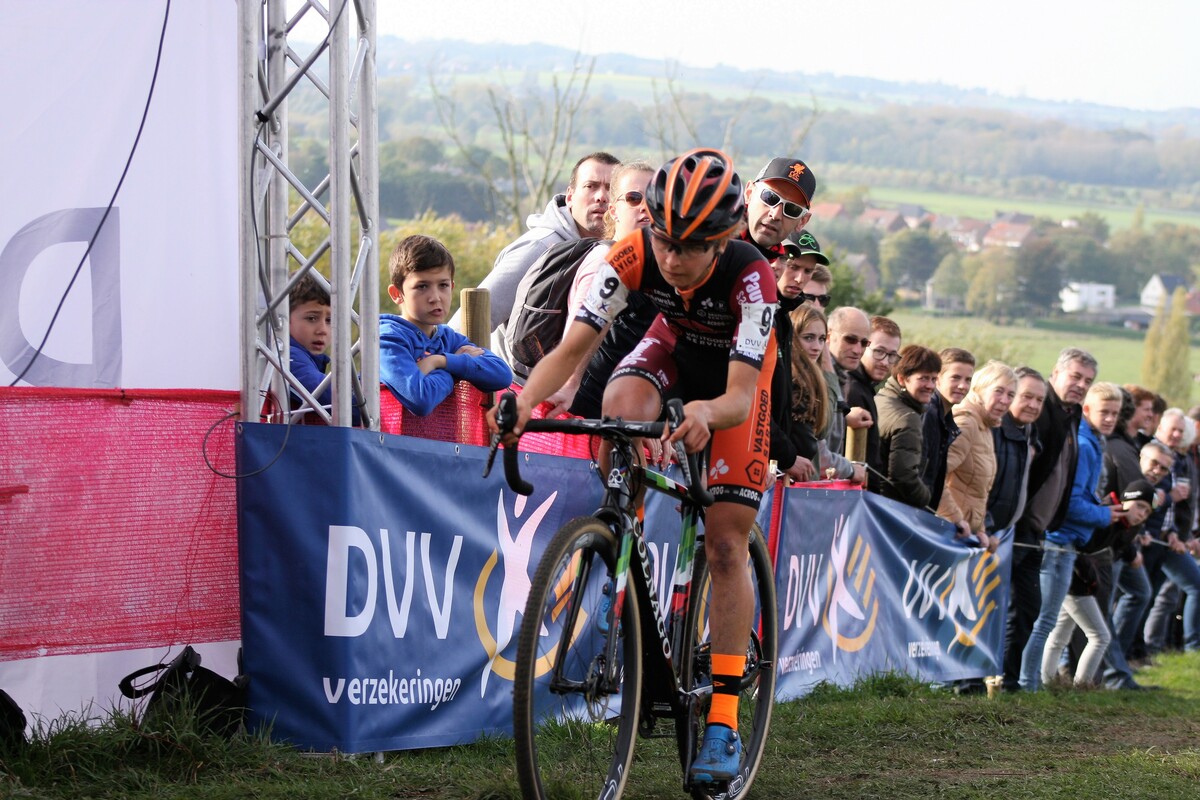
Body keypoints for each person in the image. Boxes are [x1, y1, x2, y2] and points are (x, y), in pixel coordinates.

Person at [490, 148, 776, 784]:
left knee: (727, 539)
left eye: (690, 248)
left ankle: (725, 718)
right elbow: (573, 349)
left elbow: (737, 396)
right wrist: (524, 399)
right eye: (666, 241)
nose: (672, 258)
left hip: (733, 376)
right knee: (619, 406)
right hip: (673, 344)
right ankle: (625, 530)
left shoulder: (753, 278)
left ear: (724, 238)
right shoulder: (638, 253)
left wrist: (705, 413)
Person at [1019, 380, 1126, 691]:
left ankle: (1047, 683)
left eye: (1115, 414)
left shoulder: (1093, 442)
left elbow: (1082, 497)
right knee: (1045, 622)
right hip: (1060, 540)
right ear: (1088, 410)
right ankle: (1030, 685)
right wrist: (1108, 515)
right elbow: (1073, 503)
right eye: (1104, 412)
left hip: (1070, 543)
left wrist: (1102, 506)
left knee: (1057, 627)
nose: (1109, 419)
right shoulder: (1087, 444)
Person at [452, 152, 619, 349]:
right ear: (570, 197)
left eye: (610, 189)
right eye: (590, 186)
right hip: (517, 379)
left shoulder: (623, 255)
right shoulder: (540, 248)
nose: (601, 197)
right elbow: (466, 323)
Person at [1002, 347, 1097, 693]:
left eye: (1087, 381)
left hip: (1042, 529)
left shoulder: (1069, 416)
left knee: (1029, 610)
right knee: (1016, 610)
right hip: (1019, 526)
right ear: (1056, 373)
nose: (1080, 385)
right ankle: (1007, 682)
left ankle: (1014, 683)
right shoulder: (1044, 413)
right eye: (1075, 376)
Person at [535, 159, 657, 419]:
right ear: (614, 210)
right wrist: (568, 385)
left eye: (655, 199)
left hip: (624, 412)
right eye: (634, 198)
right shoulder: (607, 259)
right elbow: (577, 334)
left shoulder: (661, 269)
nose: (645, 207)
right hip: (583, 412)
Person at [381, 235, 513, 416]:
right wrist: (454, 372)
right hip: (391, 444)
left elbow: (502, 375)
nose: (435, 297)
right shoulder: (387, 340)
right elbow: (421, 399)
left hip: (446, 444)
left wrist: (440, 361)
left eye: (442, 285)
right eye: (422, 287)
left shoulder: (448, 339)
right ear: (397, 293)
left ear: (452, 287)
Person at [1046, 478, 1154, 687]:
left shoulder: (1120, 524)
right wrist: (1089, 580)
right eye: (1140, 506)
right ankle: (1083, 686)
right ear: (1125, 500)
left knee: (1059, 635)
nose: (1141, 514)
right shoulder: (1106, 517)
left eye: (1147, 512)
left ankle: (1047, 683)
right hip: (1077, 584)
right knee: (1099, 636)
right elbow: (1081, 548)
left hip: (1078, 582)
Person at [938, 360, 1017, 552]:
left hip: (963, 534)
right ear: (979, 388)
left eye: (1011, 395)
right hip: (946, 531)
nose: (1005, 400)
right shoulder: (966, 422)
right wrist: (956, 519)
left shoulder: (986, 424)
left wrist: (980, 529)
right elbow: (936, 476)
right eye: (998, 391)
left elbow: (976, 490)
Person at [1140, 410, 1200, 654]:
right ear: (1159, 428)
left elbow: (1170, 508)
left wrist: (1175, 533)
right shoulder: (1150, 455)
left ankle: (1150, 649)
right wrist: (1168, 500)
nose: (1176, 434)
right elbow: (1139, 499)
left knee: (1155, 595)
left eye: (1180, 430)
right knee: (1143, 596)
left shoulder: (1178, 459)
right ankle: (1142, 649)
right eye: (1172, 429)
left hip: (1169, 539)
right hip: (1145, 538)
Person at [789, 304, 861, 482]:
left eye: (821, 339)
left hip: (804, 482)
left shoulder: (813, 378)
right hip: (787, 482)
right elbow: (814, 443)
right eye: (808, 338)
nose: (817, 347)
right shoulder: (792, 380)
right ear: (792, 337)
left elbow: (822, 429)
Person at [875, 345, 941, 509]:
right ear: (902, 379)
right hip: (890, 508)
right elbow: (903, 477)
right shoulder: (908, 418)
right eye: (923, 378)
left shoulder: (879, 398)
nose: (930, 386)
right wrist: (926, 498)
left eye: (934, 379)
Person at [847, 316, 902, 489]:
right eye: (879, 352)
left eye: (892, 355)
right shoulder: (853, 390)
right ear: (863, 346)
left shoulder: (866, 387)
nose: (885, 362)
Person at [922, 348, 975, 510]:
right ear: (937, 378)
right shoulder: (928, 413)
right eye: (955, 378)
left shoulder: (945, 417)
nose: (962, 386)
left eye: (968, 380)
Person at [826, 306, 875, 462]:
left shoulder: (840, 376)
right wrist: (850, 470)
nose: (857, 350)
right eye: (850, 339)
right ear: (829, 336)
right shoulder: (819, 377)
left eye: (864, 343)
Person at [287, 272, 333, 418]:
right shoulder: (288, 357)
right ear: (283, 318)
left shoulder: (311, 360)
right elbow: (337, 401)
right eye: (312, 318)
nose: (322, 330)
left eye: (329, 320)